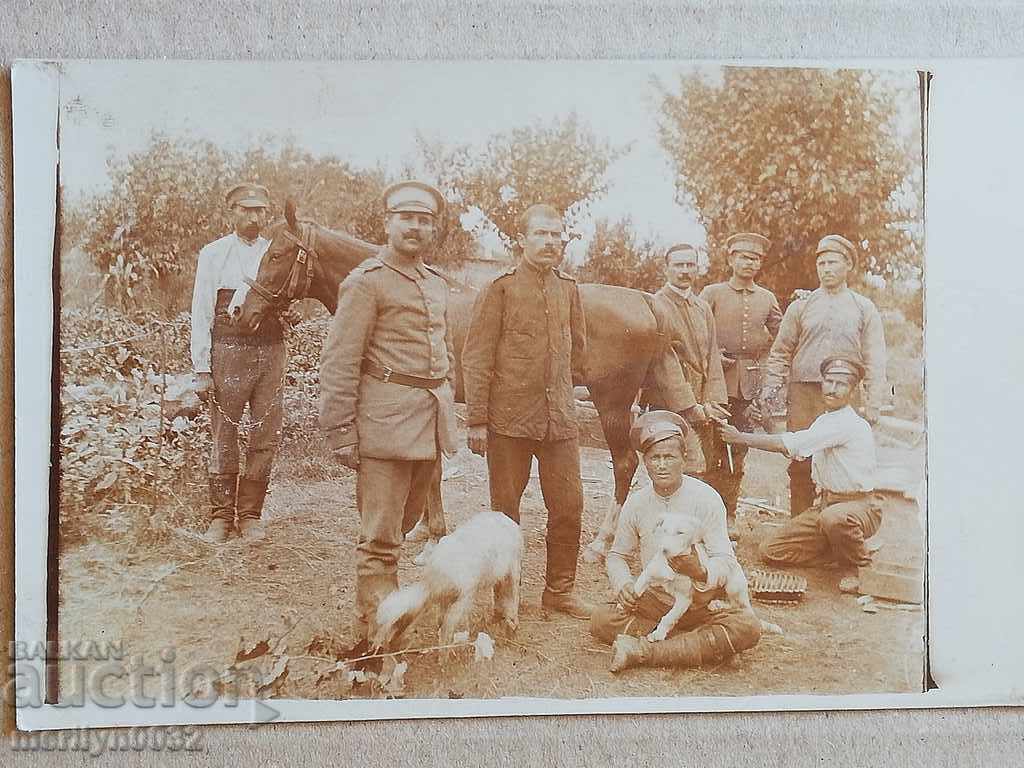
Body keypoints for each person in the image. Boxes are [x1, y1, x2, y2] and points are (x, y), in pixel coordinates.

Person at [318, 180, 459, 652]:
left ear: (432, 227)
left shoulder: (436, 284)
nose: (416, 227)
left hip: (427, 427)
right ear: (388, 223)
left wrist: (447, 405)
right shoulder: (366, 281)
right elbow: (339, 360)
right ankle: (375, 639)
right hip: (383, 426)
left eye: (424, 219)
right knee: (379, 537)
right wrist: (340, 430)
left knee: (405, 525)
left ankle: (389, 612)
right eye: (406, 218)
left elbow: (444, 354)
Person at [461, 203, 592, 620]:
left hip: (559, 422)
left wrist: (566, 395)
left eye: (557, 235)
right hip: (509, 423)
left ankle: (559, 590)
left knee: (570, 504)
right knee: (505, 512)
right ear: (522, 240)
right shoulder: (499, 289)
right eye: (541, 234)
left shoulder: (568, 288)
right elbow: (476, 356)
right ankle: (506, 597)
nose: (551, 242)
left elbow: (579, 353)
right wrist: (478, 419)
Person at [589, 410, 762, 672]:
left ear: (684, 458)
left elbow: (725, 559)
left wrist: (702, 572)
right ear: (644, 462)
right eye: (654, 458)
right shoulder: (636, 503)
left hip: (702, 601)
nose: (661, 465)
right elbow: (618, 556)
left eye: (669, 457)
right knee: (600, 620)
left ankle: (644, 650)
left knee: (749, 628)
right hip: (656, 600)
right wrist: (623, 584)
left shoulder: (707, 498)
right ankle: (706, 645)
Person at [720, 357, 881, 591]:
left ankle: (858, 565)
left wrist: (741, 437)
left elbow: (792, 444)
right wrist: (766, 422)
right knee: (771, 551)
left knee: (834, 519)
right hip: (826, 506)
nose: (832, 389)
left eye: (841, 384)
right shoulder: (826, 420)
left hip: (858, 508)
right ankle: (838, 552)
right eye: (829, 381)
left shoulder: (847, 423)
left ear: (854, 390)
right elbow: (799, 447)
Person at [761, 234, 887, 517]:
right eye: (821, 263)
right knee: (800, 457)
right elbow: (781, 351)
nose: (826, 268)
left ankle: (838, 524)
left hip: (844, 393)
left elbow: (875, 357)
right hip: (804, 394)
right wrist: (771, 391)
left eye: (833, 262)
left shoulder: (863, 307)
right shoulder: (800, 307)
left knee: (840, 457)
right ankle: (799, 523)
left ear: (848, 266)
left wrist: (874, 402)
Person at [191, 182, 283, 543]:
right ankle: (220, 517)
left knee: (265, 431)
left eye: (259, 210)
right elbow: (200, 311)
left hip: (272, 351)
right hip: (227, 352)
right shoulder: (214, 254)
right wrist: (202, 368)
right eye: (246, 209)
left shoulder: (276, 252)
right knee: (223, 433)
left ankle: (250, 516)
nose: (253, 216)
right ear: (232, 212)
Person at [699, 232, 783, 533]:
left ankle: (728, 514)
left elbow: (783, 337)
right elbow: (694, 330)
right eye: (744, 257)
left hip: (748, 383)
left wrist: (765, 364)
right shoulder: (712, 293)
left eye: (756, 259)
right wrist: (711, 355)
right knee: (709, 448)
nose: (750, 263)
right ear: (731, 259)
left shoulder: (766, 298)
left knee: (737, 448)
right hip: (714, 382)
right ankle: (703, 514)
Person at [642, 243, 731, 491]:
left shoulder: (702, 307)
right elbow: (664, 361)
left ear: (697, 268)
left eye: (690, 265)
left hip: (704, 403)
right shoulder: (656, 305)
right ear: (666, 269)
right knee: (681, 463)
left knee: (706, 464)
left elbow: (712, 356)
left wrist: (714, 401)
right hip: (670, 402)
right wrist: (690, 406)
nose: (684, 271)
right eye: (678, 265)